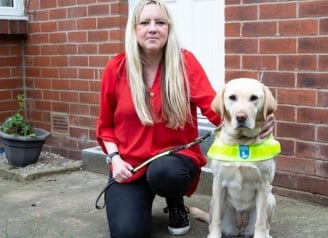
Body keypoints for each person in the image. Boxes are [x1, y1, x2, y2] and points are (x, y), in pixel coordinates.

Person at [96, 0, 275, 237]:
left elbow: (215, 109)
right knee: (128, 233)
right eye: (145, 22)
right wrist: (114, 159)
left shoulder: (185, 63)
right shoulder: (115, 68)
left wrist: (256, 121)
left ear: (168, 28)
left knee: (166, 172)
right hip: (130, 165)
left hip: (174, 161)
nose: (152, 28)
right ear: (134, 28)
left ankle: (175, 202)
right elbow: (105, 125)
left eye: (160, 22)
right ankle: (139, 200)